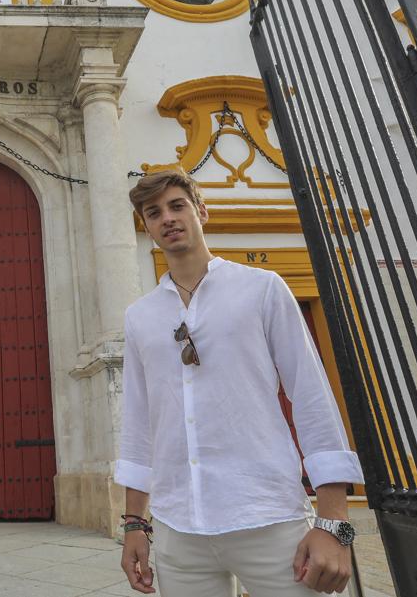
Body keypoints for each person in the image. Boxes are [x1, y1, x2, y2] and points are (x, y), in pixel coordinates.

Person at [116, 169, 363, 596]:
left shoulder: (262, 289)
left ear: (201, 211)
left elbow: (310, 397)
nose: (168, 218)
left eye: (178, 205)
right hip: (179, 528)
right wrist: (136, 524)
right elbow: (139, 421)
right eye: (154, 213)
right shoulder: (140, 316)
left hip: (267, 517)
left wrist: (334, 522)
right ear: (147, 227)